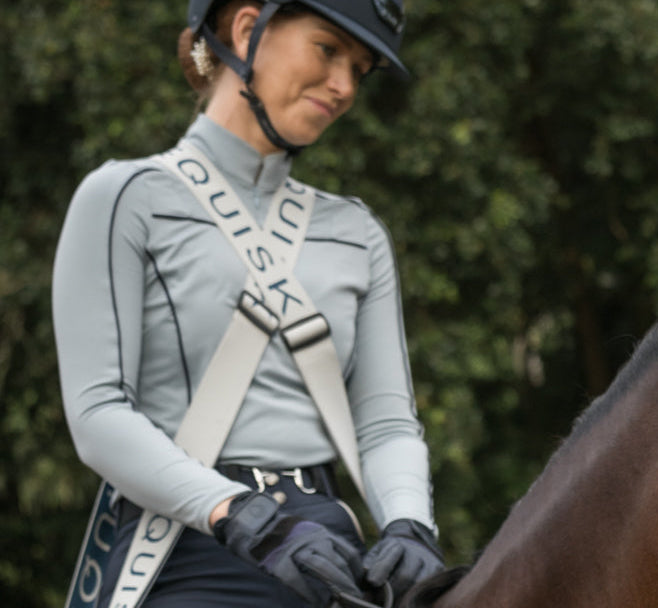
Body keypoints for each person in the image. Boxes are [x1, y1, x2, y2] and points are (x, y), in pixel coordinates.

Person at [52, 1, 444, 605]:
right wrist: (241, 516)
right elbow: (99, 415)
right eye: (328, 49)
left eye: (360, 70)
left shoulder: (357, 233)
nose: (344, 86)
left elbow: (386, 424)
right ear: (245, 28)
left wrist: (411, 525)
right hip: (189, 548)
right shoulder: (125, 198)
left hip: (332, 554)